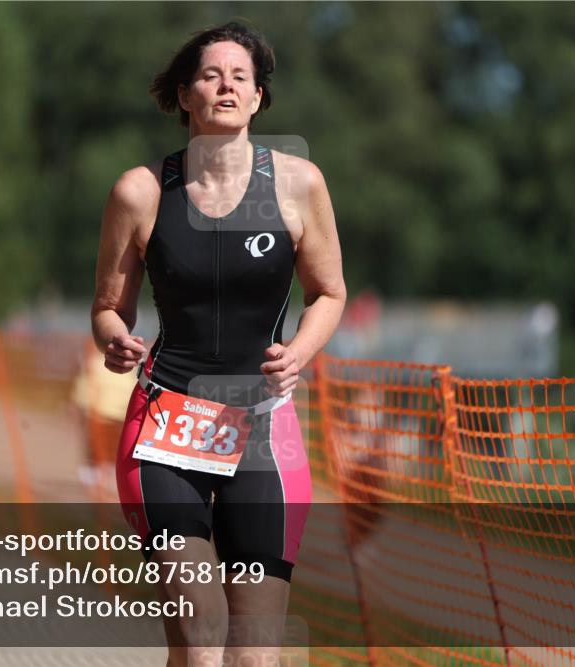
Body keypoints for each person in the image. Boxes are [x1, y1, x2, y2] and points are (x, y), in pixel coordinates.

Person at [90, 21, 345, 667]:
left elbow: (330, 293)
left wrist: (300, 352)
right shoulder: (140, 191)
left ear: (259, 98)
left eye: (241, 76)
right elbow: (107, 308)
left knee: (255, 654)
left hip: (264, 429)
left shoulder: (299, 185)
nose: (226, 84)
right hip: (166, 425)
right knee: (201, 635)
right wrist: (116, 339)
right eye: (210, 74)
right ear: (184, 96)